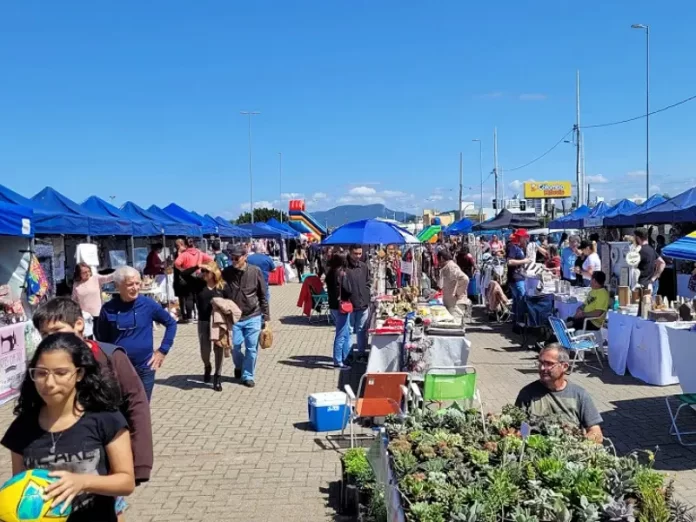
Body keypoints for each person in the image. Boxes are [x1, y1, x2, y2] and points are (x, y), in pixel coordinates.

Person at [32, 298, 153, 520]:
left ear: (79, 324)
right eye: (45, 334)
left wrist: (140, 463)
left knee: (111, 505)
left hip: (108, 451)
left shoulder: (109, 357)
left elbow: (137, 405)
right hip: (63, 454)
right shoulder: (43, 365)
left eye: (57, 330)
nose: (52, 339)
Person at [2, 333, 136, 521]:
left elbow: (126, 481)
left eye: (61, 373)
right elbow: (19, 487)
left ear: (79, 374)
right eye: (41, 373)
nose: (49, 383)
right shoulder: (22, 428)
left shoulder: (106, 419)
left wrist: (82, 482)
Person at [97, 266, 178, 401]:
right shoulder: (108, 309)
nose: (135, 288)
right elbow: (102, 339)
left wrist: (163, 350)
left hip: (145, 366)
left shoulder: (148, 305)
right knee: (121, 407)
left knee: (142, 408)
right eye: (130, 284)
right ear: (118, 285)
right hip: (119, 368)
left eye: (137, 283)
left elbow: (171, 323)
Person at [515, 344, 603, 443]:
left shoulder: (579, 395)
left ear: (564, 367)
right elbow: (520, 429)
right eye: (541, 363)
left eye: (549, 363)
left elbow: (596, 432)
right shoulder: (528, 393)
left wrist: (577, 445)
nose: (543, 368)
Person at [222, 245, 270, 388]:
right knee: (234, 346)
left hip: (253, 315)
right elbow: (221, 293)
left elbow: (263, 295)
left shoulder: (255, 272)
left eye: (237, 258)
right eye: (232, 258)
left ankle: (248, 375)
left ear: (245, 257)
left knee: (251, 349)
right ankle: (240, 365)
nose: (234, 261)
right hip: (234, 317)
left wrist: (266, 318)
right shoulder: (227, 273)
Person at [187, 261, 233, 391]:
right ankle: (207, 366)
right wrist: (197, 266)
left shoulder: (223, 286)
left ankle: (217, 377)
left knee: (218, 349)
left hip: (219, 322)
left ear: (214, 273)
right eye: (203, 271)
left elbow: (230, 303)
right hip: (203, 322)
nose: (204, 274)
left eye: (207, 271)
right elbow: (184, 275)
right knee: (205, 350)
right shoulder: (199, 284)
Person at [325, 253, 352, 369]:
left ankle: (345, 357)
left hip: (334, 305)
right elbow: (348, 289)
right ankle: (338, 361)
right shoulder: (341, 273)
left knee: (345, 333)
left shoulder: (330, 272)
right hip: (342, 306)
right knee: (341, 334)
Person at [71, 263, 114, 335]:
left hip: (98, 314)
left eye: (89, 271)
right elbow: (74, 299)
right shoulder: (76, 284)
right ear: (79, 274)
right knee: (88, 335)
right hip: (85, 316)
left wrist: (118, 273)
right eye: (84, 272)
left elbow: (107, 278)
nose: (87, 273)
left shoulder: (95, 278)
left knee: (99, 335)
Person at [344, 245, 371, 360]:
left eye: (360, 253)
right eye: (355, 253)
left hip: (363, 304)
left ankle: (361, 353)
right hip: (350, 305)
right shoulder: (345, 268)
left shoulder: (364, 266)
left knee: (362, 330)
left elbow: (367, 282)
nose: (358, 256)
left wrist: (366, 295)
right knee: (349, 330)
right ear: (350, 253)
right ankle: (349, 354)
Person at [438, 250, 470, 320]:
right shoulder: (447, 267)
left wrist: (457, 293)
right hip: (451, 303)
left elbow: (465, 279)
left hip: (455, 304)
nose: (438, 263)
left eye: (438, 260)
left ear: (441, 258)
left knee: (455, 325)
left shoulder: (451, 267)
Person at [506, 231, 531, 320]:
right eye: (525, 237)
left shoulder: (518, 247)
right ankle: (519, 321)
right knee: (521, 298)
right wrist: (524, 261)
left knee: (517, 299)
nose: (526, 239)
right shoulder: (513, 247)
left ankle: (516, 320)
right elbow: (509, 261)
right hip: (516, 277)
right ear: (521, 237)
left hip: (518, 277)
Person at [634, 227, 666, 296]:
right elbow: (662, 263)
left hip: (642, 287)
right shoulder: (652, 250)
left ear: (637, 238)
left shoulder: (639, 251)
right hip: (652, 284)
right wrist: (654, 278)